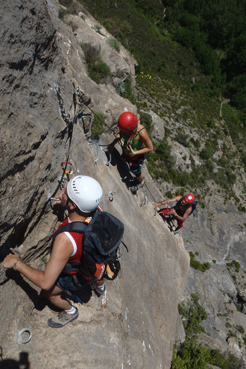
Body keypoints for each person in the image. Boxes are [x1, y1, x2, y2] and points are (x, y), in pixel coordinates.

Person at [3, 175, 104, 328]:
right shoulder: (95, 210)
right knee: (95, 272)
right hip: (94, 263)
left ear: (72, 205)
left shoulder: (65, 240)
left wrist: (16, 263)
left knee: (48, 293)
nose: (61, 192)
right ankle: (100, 286)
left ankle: (70, 311)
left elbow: (45, 282)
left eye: (65, 193)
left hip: (76, 274)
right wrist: (64, 201)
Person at [107, 111, 153, 186]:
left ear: (130, 128)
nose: (122, 131)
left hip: (136, 156)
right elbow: (120, 134)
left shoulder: (141, 133)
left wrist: (135, 153)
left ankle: (141, 181)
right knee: (124, 158)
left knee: (136, 171)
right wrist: (112, 144)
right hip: (127, 151)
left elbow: (150, 148)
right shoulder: (126, 128)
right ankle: (124, 159)